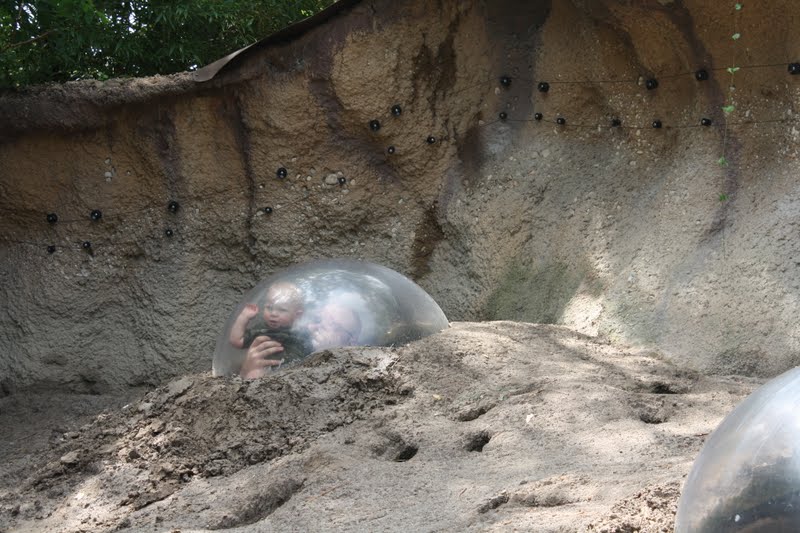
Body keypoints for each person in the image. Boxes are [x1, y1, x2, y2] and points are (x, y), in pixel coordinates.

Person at [232, 281, 313, 379]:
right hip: (264, 370)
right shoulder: (262, 329)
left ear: (298, 315)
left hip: (293, 376)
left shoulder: (301, 333)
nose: (273, 313)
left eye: (282, 310)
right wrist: (244, 317)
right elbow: (237, 341)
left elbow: (312, 354)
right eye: (269, 308)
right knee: (254, 374)